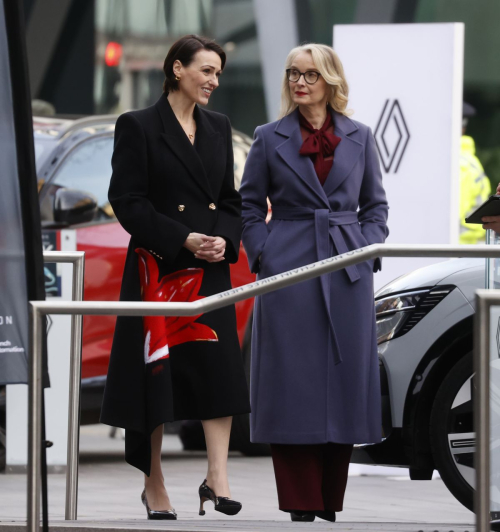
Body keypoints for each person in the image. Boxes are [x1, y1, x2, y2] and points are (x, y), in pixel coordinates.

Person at [100, 34, 250, 520]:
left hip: (208, 270)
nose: (214, 81)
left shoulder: (218, 126)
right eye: (206, 71)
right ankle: (155, 482)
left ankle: (217, 477)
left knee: (219, 371)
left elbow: (230, 200)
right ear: (178, 69)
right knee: (155, 378)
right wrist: (183, 238)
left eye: (218, 73)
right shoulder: (138, 126)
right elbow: (128, 202)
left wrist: (223, 240)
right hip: (159, 268)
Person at [239, 43, 389, 522]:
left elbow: (377, 208)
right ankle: (301, 503)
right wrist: (264, 253)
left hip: (347, 271)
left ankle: (330, 501)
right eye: (292, 74)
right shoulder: (268, 136)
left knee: (343, 384)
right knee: (291, 383)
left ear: (331, 81)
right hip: (288, 269)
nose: (299, 83)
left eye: (309, 75)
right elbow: (248, 206)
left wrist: (364, 251)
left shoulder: (362, 136)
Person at [460, 102, 491, 244]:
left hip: (457, 251)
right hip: (470, 250)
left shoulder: (457, 164)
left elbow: (453, 215)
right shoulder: (470, 159)